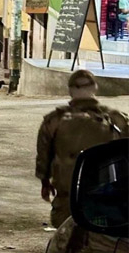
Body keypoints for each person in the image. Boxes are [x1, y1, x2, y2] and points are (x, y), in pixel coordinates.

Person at [35, 70, 128, 228]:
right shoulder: (116, 118)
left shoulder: (55, 119)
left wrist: (44, 181)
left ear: (70, 90)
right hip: (104, 193)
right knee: (101, 233)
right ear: (95, 88)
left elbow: (44, 154)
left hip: (68, 191)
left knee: (65, 231)